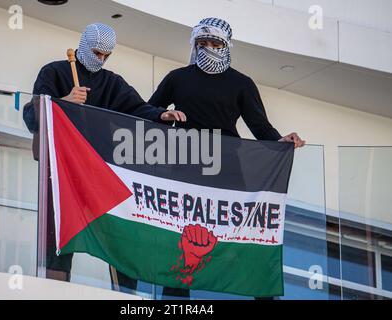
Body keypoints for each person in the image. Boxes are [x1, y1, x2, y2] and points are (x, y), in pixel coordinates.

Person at [147, 17, 305, 299]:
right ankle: (175, 299)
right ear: (194, 44)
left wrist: (281, 141)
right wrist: (164, 115)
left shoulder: (241, 83)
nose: (209, 48)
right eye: (203, 43)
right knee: (184, 235)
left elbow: (261, 127)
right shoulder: (177, 77)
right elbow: (147, 113)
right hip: (186, 166)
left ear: (227, 46)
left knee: (242, 234)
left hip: (228, 169)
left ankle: (263, 295)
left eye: (215, 43)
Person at [22, 22, 185, 288]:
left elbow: (137, 109)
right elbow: (31, 116)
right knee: (60, 235)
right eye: (97, 52)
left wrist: (161, 115)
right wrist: (63, 100)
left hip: (98, 171)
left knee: (118, 233)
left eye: (106, 55)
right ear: (84, 45)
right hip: (63, 170)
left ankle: (124, 295)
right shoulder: (54, 72)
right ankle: (52, 291)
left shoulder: (112, 83)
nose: (101, 59)